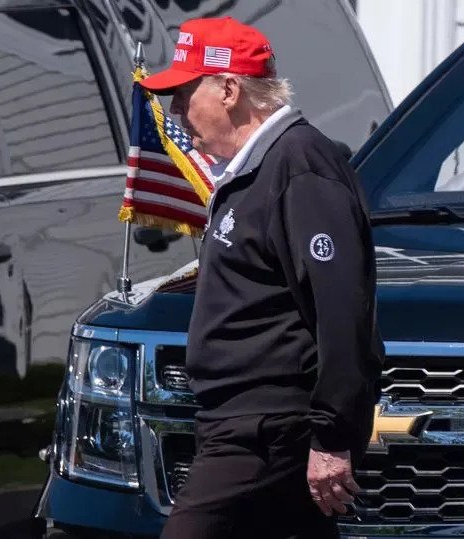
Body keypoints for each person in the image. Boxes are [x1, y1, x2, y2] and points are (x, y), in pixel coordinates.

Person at [140, 16, 384, 539]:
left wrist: (332, 435)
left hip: (268, 430)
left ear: (229, 90)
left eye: (183, 94)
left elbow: (342, 311)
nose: (175, 111)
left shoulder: (300, 165)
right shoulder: (258, 169)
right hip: (243, 425)